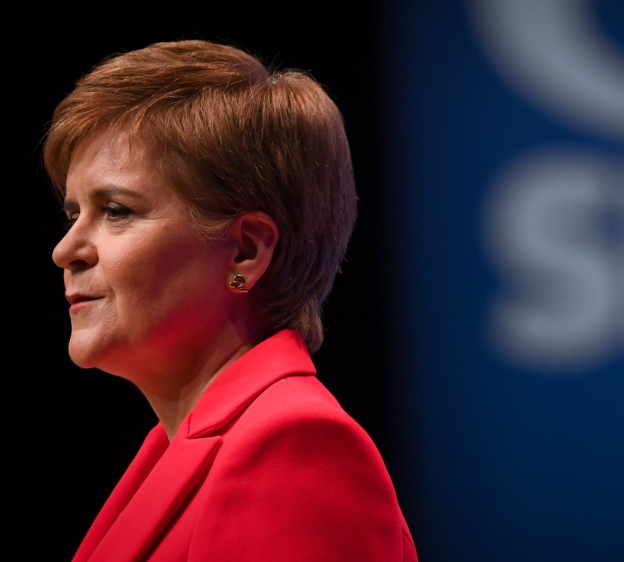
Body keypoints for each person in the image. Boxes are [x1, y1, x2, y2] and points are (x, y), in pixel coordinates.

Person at [46, 40, 417, 562]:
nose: (66, 250)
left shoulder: (293, 449)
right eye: (72, 214)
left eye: (116, 210)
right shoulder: (176, 446)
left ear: (244, 252)